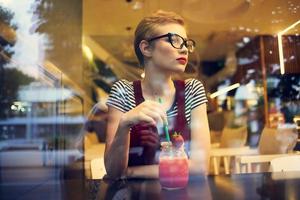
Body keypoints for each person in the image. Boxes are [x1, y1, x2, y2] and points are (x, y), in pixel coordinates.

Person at [104, 10, 211, 179]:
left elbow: (200, 167)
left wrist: (131, 172)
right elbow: (113, 171)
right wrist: (125, 124)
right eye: (174, 40)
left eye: (185, 42)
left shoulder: (192, 90)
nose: (184, 49)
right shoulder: (123, 92)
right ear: (146, 48)